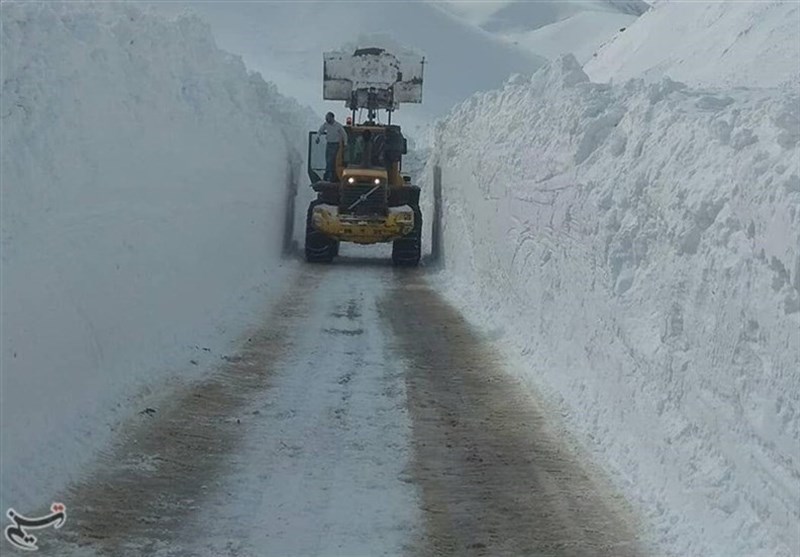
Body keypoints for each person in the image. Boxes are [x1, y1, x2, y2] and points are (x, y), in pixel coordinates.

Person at [316, 112, 348, 181]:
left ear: (332, 118)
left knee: (333, 161)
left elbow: (344, 135)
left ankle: (332, 175)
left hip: (335, 145)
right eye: (326, 118)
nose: (327, 119)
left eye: (328, 118)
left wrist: (345, 144)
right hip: (329, 144)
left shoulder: (338, 126)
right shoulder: (326, 125)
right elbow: (320, 131)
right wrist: (317, 137)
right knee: (328, 160)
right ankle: (328, 175)